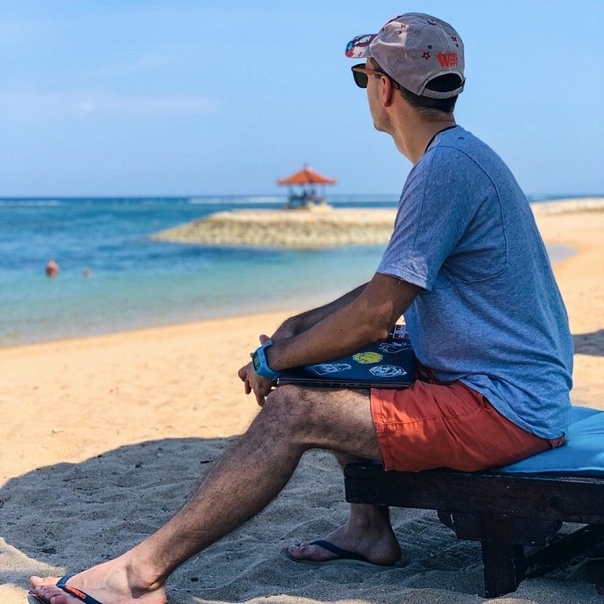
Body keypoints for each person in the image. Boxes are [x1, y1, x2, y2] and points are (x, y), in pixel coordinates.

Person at [28, 12, 573, 604]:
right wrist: (302, 327)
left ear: (385, 88)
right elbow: (390, 287)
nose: (366, 90)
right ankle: (368, 530)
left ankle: (139, 576)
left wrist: (272, 360)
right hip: (499, 384)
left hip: (504, 408)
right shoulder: (458, 157)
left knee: (293, 408)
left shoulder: (443, 170)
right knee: (324, 358)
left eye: (363, 77)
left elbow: (372, 317)